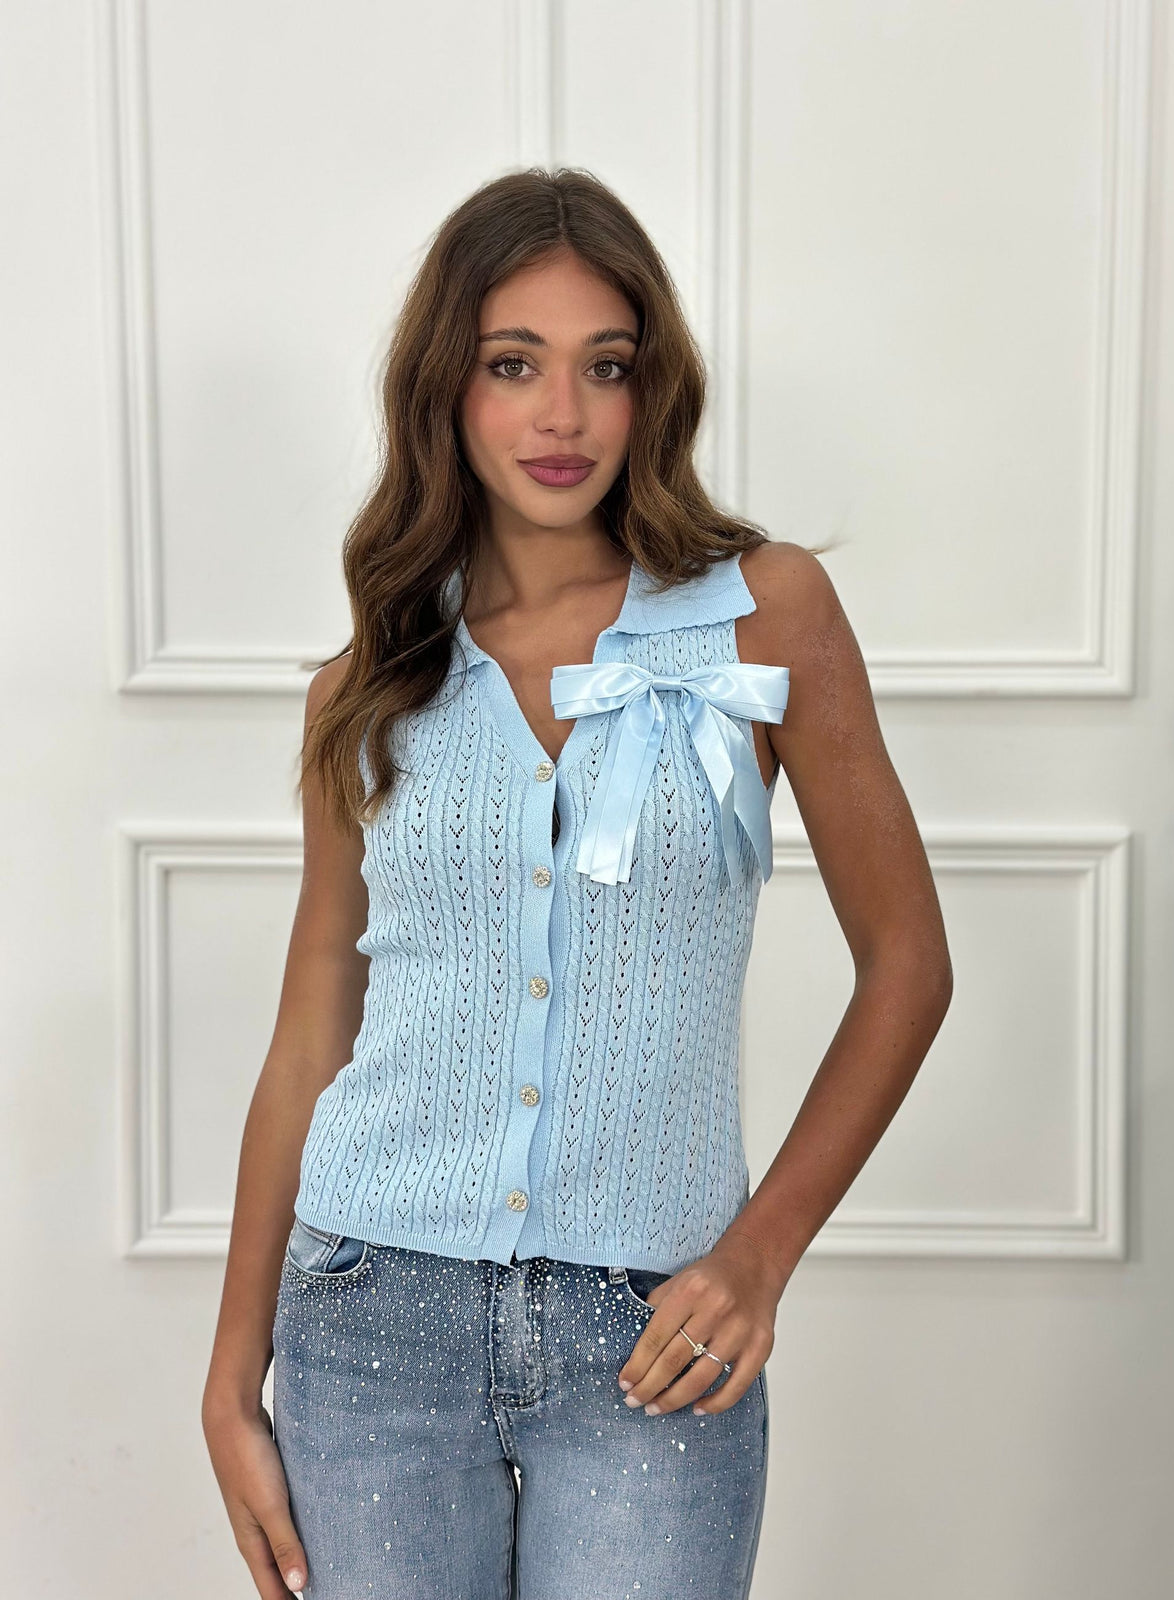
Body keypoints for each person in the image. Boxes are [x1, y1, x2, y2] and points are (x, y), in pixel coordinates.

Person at [202, 166, 953, 1599]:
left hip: (656, 1334)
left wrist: (760, 1255)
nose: (563, 415)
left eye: (605, 366)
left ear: (651, 388)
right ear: (447, 387)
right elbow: (310, 1038)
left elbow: (909, 965)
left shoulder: (765, 613)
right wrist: (232, 1379)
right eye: (513, 364)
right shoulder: (367, 682)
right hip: (369, 1320)